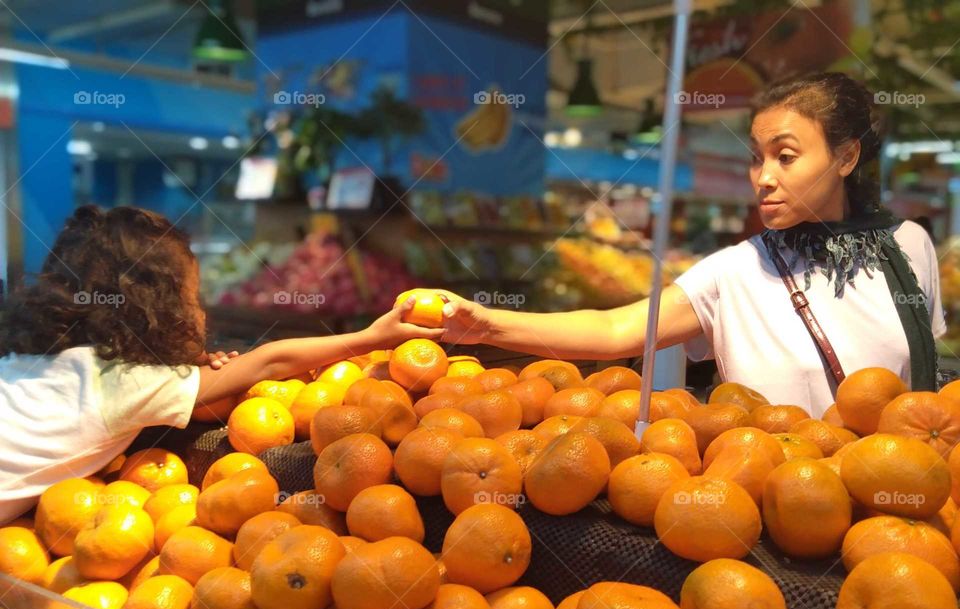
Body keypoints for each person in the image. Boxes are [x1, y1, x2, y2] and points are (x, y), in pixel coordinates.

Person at [437, 72, 946, 418]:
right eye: (756, 158)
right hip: (777, 513)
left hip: (894, 499)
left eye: (785, 156)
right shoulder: (735, 272)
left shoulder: (910, 247)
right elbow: (616, 328)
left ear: (846, 157)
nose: (763, 177)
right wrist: (485, 324)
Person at [0, 205, 440, 524]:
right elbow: (271, 361)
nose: (201, 311)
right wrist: (372, 337)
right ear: (158, 310)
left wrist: (187, 370)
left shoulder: (34, 360)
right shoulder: (125, 385)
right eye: (193, 298)